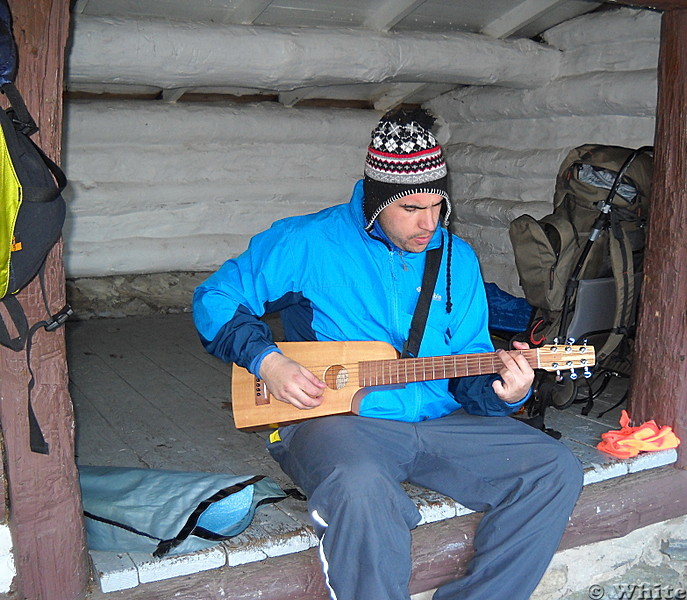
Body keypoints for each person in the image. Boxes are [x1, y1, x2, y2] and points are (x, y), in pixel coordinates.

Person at [193, 108, 583, 600]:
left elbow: (468, 361)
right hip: (336, 418)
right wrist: (267, 360)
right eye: (412, 209)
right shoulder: (309, 241)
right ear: (378, 202)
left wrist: (506, 391)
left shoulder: (456, 257)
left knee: (553, 469)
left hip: (440, 418)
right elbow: (215, 298)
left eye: (438, 206)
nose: (429, 224)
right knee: (359, 487)